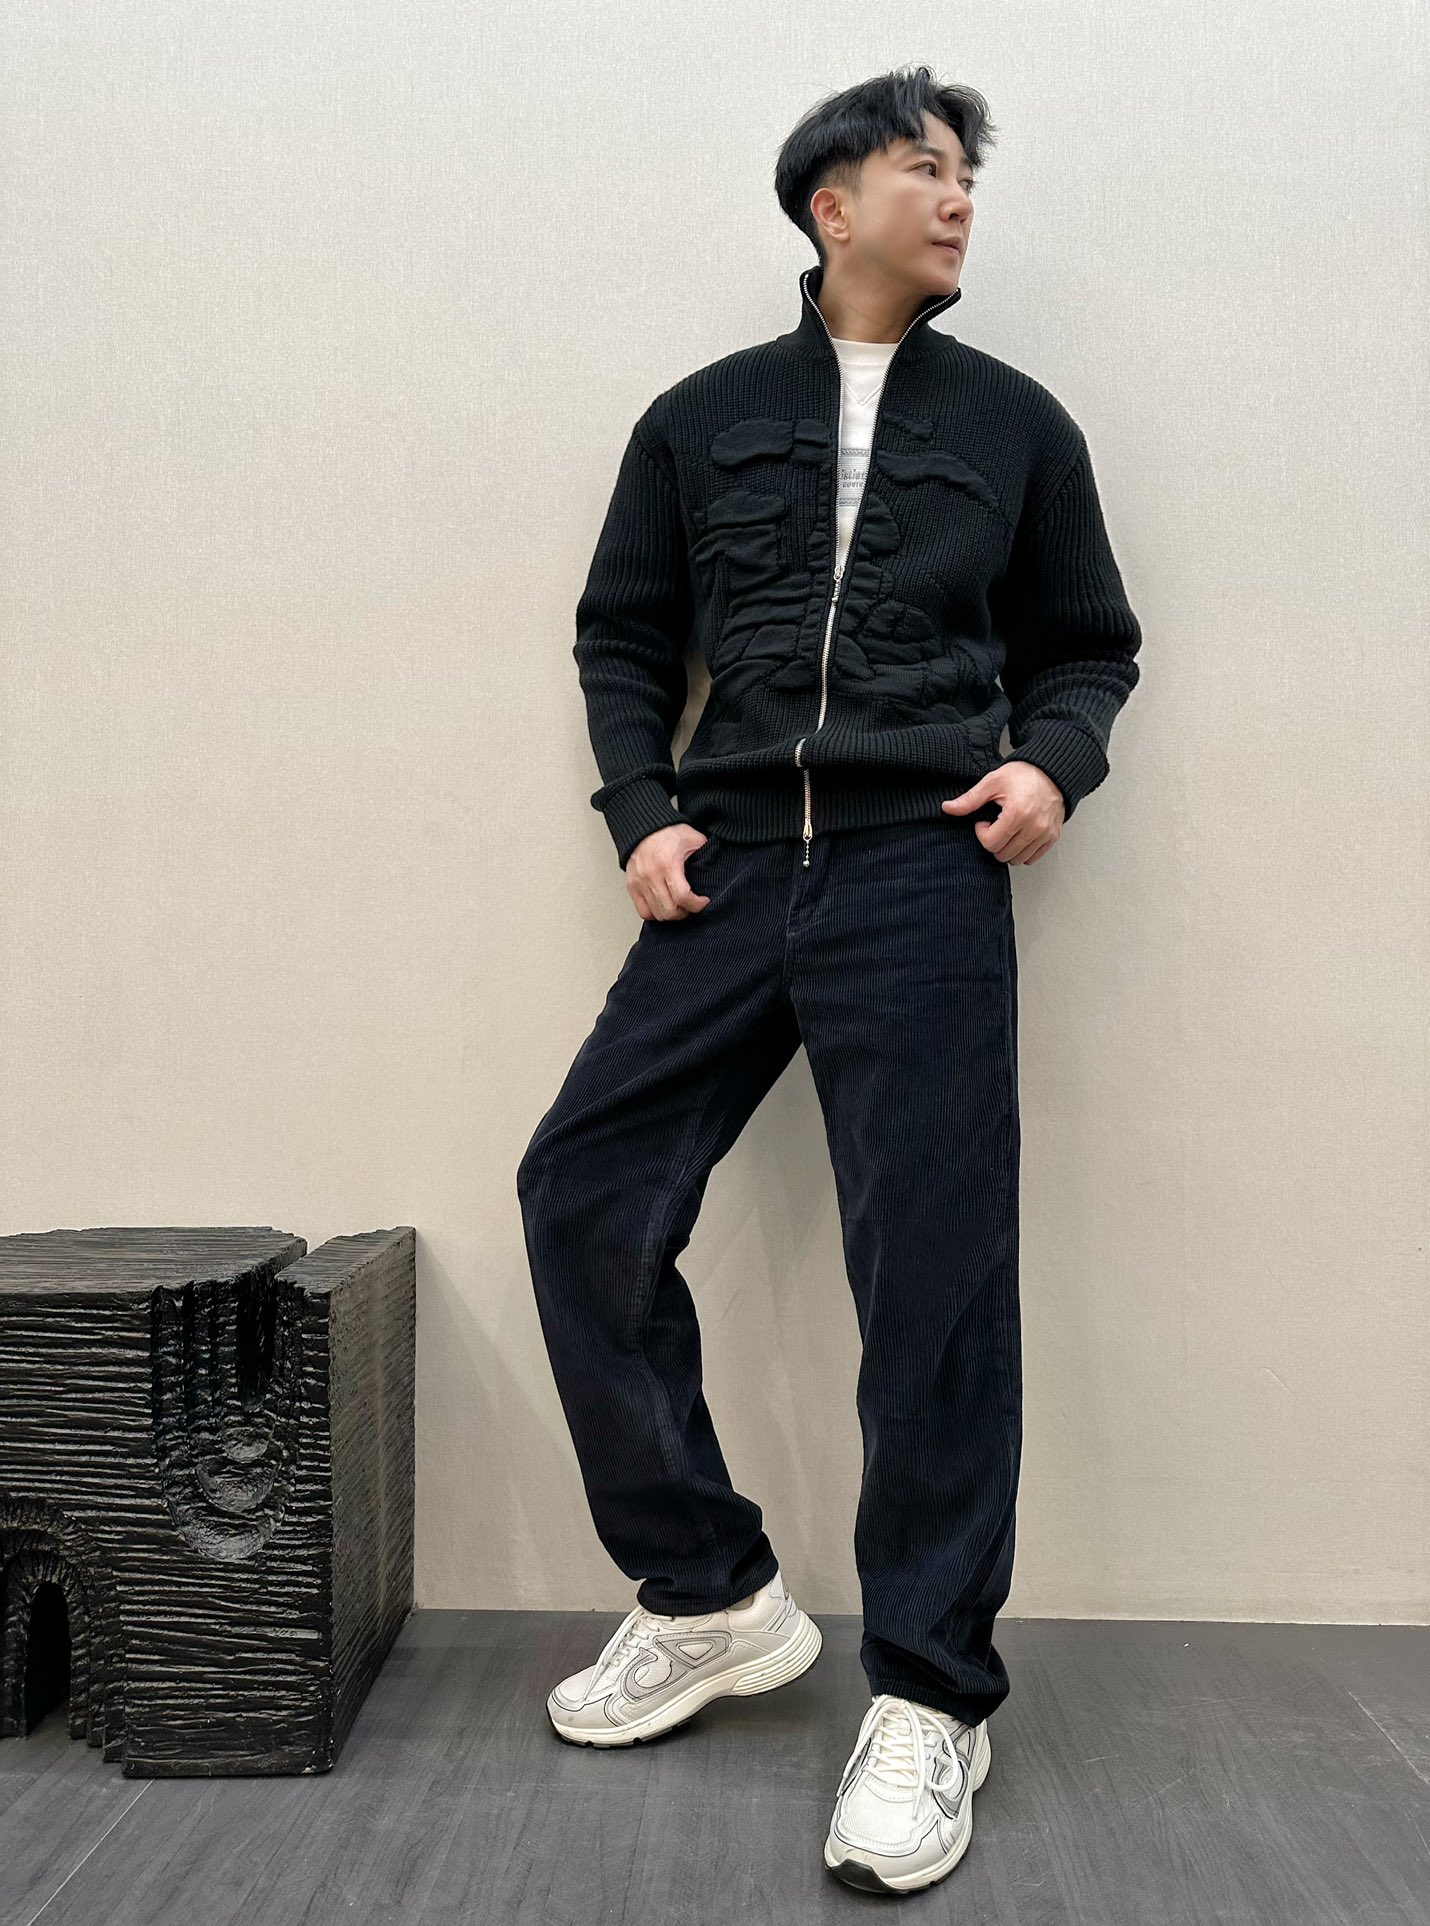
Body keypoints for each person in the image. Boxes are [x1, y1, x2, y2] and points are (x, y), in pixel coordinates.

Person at [516, 62, 1142, 1896]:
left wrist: (1053, 765)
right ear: (829, 202)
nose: (957, 203)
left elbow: (1088, 644)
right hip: (723, 870)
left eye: (967, 181)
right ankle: (709, 1588)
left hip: (919, 874)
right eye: (924, 171)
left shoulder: (1018, 426)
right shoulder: (696, 420)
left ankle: (931, 1693)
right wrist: (640, 809)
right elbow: (623, 635)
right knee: (583, 1194)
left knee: (931, 1282)